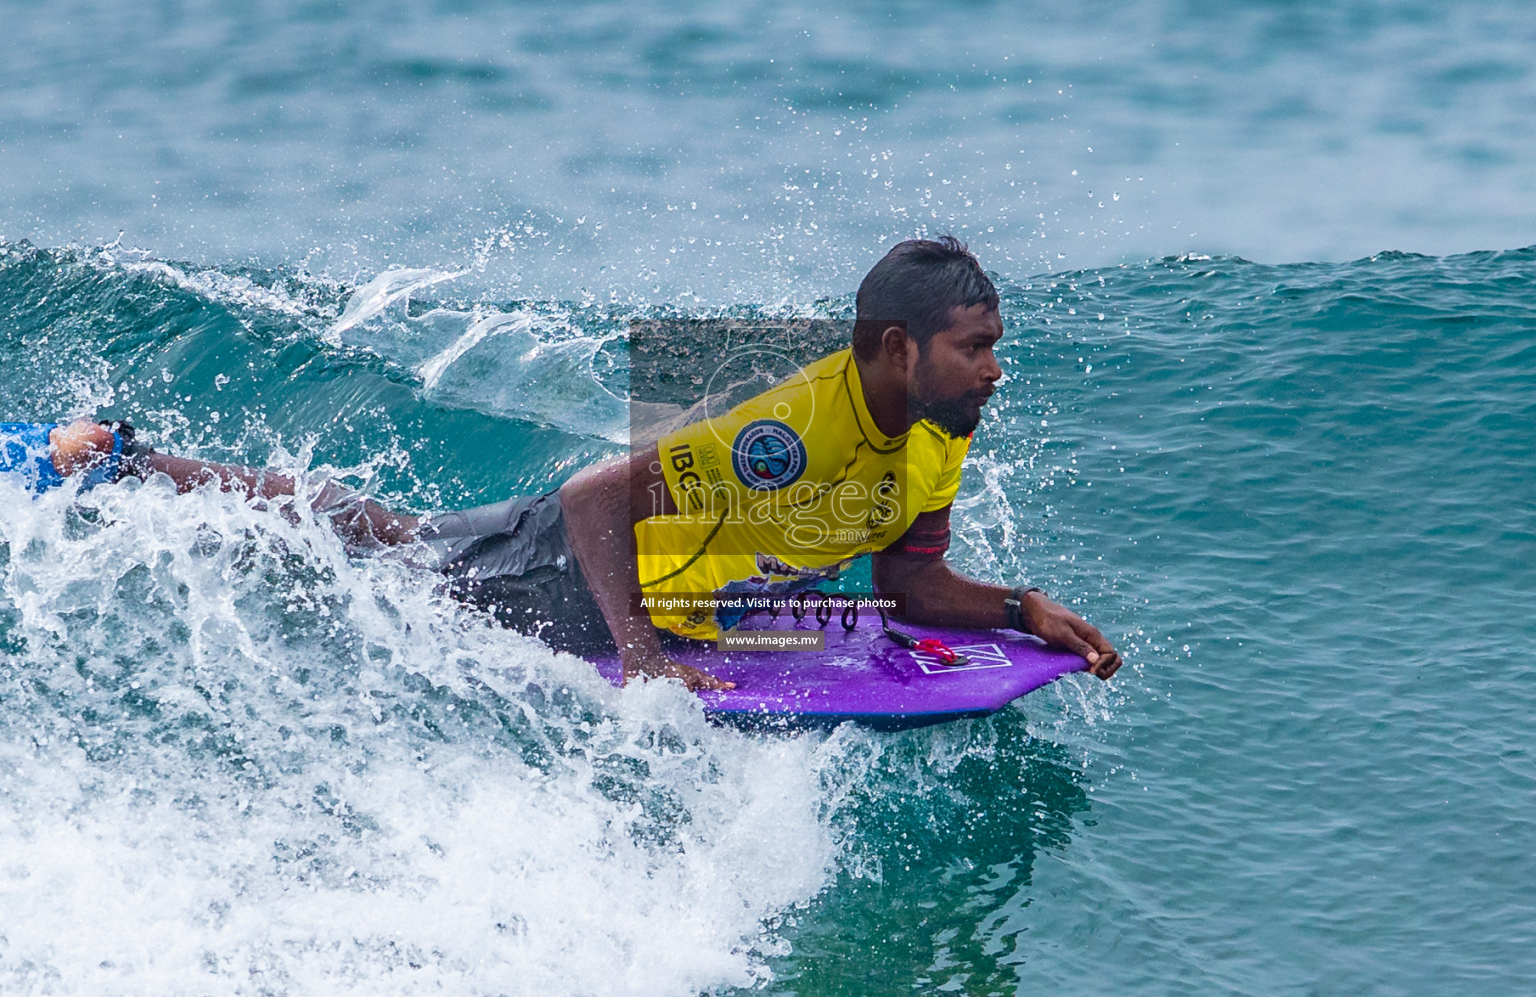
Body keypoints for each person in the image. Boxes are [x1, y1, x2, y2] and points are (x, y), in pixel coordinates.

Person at [35, 237, 1122, 690]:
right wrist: (642, 656)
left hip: (662, 594)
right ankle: (120, 463)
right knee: (376, 556)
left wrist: (1019, 608)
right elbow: (595, 493)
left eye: (994, 348)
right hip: (574, 567)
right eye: (975, 348)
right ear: (900, 348)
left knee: (382, 549)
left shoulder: (937, 436)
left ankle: (130, 465)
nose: (993, 370)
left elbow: (904, 581)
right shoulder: (792, 427)